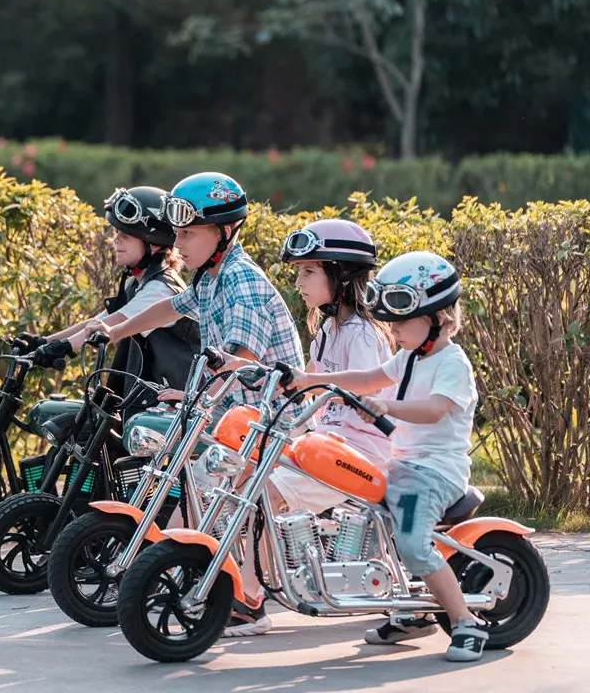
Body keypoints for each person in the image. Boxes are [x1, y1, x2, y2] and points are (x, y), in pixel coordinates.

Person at [288, 251, 487, 663]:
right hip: (400, 465)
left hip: (432, 472)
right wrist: (311, 379)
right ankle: (410, 610)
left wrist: (387, 408)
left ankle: (466, 622)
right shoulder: (408, 356)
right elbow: (367, 378)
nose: (393, 329)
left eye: (400, 321)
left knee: (413, 545)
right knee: (369, 523)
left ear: (437, 318)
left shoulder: (452, 363)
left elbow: (434, 410)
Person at [217, 219, 396, 637]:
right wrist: (248, 371)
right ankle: (250, 581)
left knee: (265, 496)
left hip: (359, 455)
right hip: (326, 448)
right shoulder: (326, 332)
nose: (299, 281)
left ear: (342, 275)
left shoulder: (362, 335)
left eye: (308, 272)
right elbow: (303, 384)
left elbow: (367, 384)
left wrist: (314, 385)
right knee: (243, 480)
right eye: (299, 272)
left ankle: (251, 600)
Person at [84, 172, 305, 418]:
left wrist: (196, 397)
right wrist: (114, 332)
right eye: (177, 233)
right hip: (237, 414)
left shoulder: (241, 278)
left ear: (224, 232)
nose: (177, 244)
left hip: (273, 425)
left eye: (187, 234)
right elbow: (169, 308)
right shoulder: (211, 277)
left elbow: (241, 360)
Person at [23, 186, 200, 411]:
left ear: (153, 244)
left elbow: (113, 324)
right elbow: (98, 321)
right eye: (117, 233)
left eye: (125, 235)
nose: (116, 240)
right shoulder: (140, 282)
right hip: (142, 398)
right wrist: (44, 343)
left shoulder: (161, 289)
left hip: (165, 407)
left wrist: (65, 348)